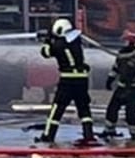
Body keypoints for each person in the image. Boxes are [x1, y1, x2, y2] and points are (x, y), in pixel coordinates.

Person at [35, 18, 95, 146]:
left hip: (68, 81)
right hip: (82, 79)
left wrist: (47, 39)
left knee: (57, 108)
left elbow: (45, 53)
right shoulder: (76, 41)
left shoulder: (58, 45)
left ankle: (48, 136)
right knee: (84, 108)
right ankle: (89, 135)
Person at [101, 30, 135, 140]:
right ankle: (109, 130)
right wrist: (110, 79)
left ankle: (134, 134)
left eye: (125, 41)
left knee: (131, 113)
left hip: (133, 89)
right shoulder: (121, 53)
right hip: (121, 87)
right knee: (112, 109)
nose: (123, 43)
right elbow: (116, 68)